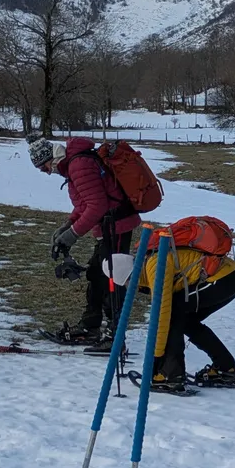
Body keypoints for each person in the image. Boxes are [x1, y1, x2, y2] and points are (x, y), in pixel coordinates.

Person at [28, 134, 140, 344]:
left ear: (50, 158)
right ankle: (90, 325)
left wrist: (72, 235)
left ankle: (115, 336)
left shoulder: (78, 165)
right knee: (96, 274)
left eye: (43, 167)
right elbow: (84, 204)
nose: (46, 172)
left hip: (116, 226)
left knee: (112, 279)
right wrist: (67, 225)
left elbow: (97, 206)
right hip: (108, 227)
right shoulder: (73, 164)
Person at [140, 227, 235, 392]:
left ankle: (171, 375)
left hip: (223, 279)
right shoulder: (149, 260)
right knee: (187, 321)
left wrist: (156, 357)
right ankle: (226, 368)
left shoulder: (154, 265)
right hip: (232, 276)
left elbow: (162, 315)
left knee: (173, 314)